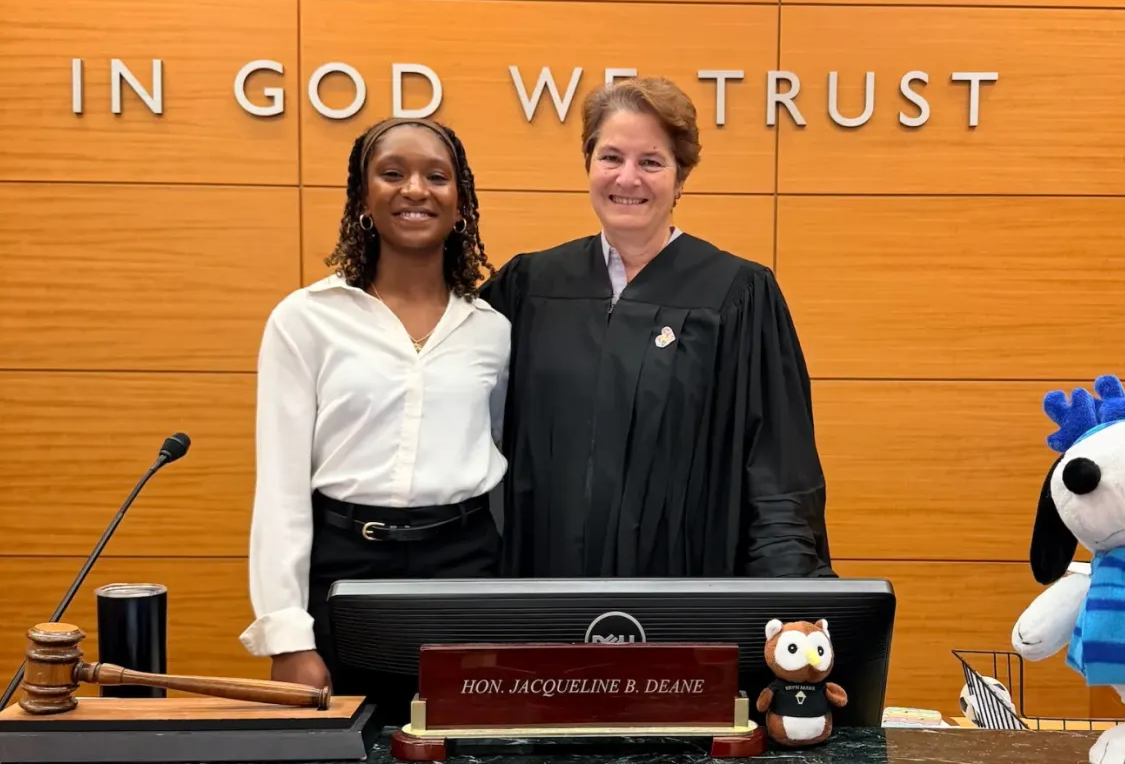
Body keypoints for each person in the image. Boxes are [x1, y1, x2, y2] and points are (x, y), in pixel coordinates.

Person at [480, 76, 834, 578]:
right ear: (588, 164)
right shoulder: (529, 286)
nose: (628, 179)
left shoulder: (737, 295)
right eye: (611, 157)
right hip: (544, 581)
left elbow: (776, 468)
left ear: (681, 177)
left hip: (683, 587)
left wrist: (791, 589)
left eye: (651, 162)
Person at [240, 117, 510, 720]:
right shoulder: (304, 319)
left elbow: (496, 445)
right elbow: (281, 490)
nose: (415, 189)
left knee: (465, 744)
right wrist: (287, 634)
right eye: (392, 174)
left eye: (436, 177)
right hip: (345, 572)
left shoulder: (492, 330)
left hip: (464, 570)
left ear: (460, 202)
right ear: (363, 199)